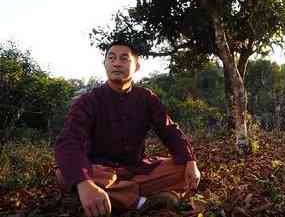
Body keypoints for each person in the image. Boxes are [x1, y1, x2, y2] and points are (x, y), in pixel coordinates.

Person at [54, 41, 200, 217]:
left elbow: (169, 130)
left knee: (184, 169)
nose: (116, 63)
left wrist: (190, 160)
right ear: (105, 63)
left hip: (136, 170)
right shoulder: (88, 101)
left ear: (136, 66)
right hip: (100, 172)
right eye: (111, 58)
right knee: (64, 175)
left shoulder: (146, 98)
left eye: (124, 58)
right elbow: (69, 141)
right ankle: (141, 202)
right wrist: (85, 183)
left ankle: (115, 197)